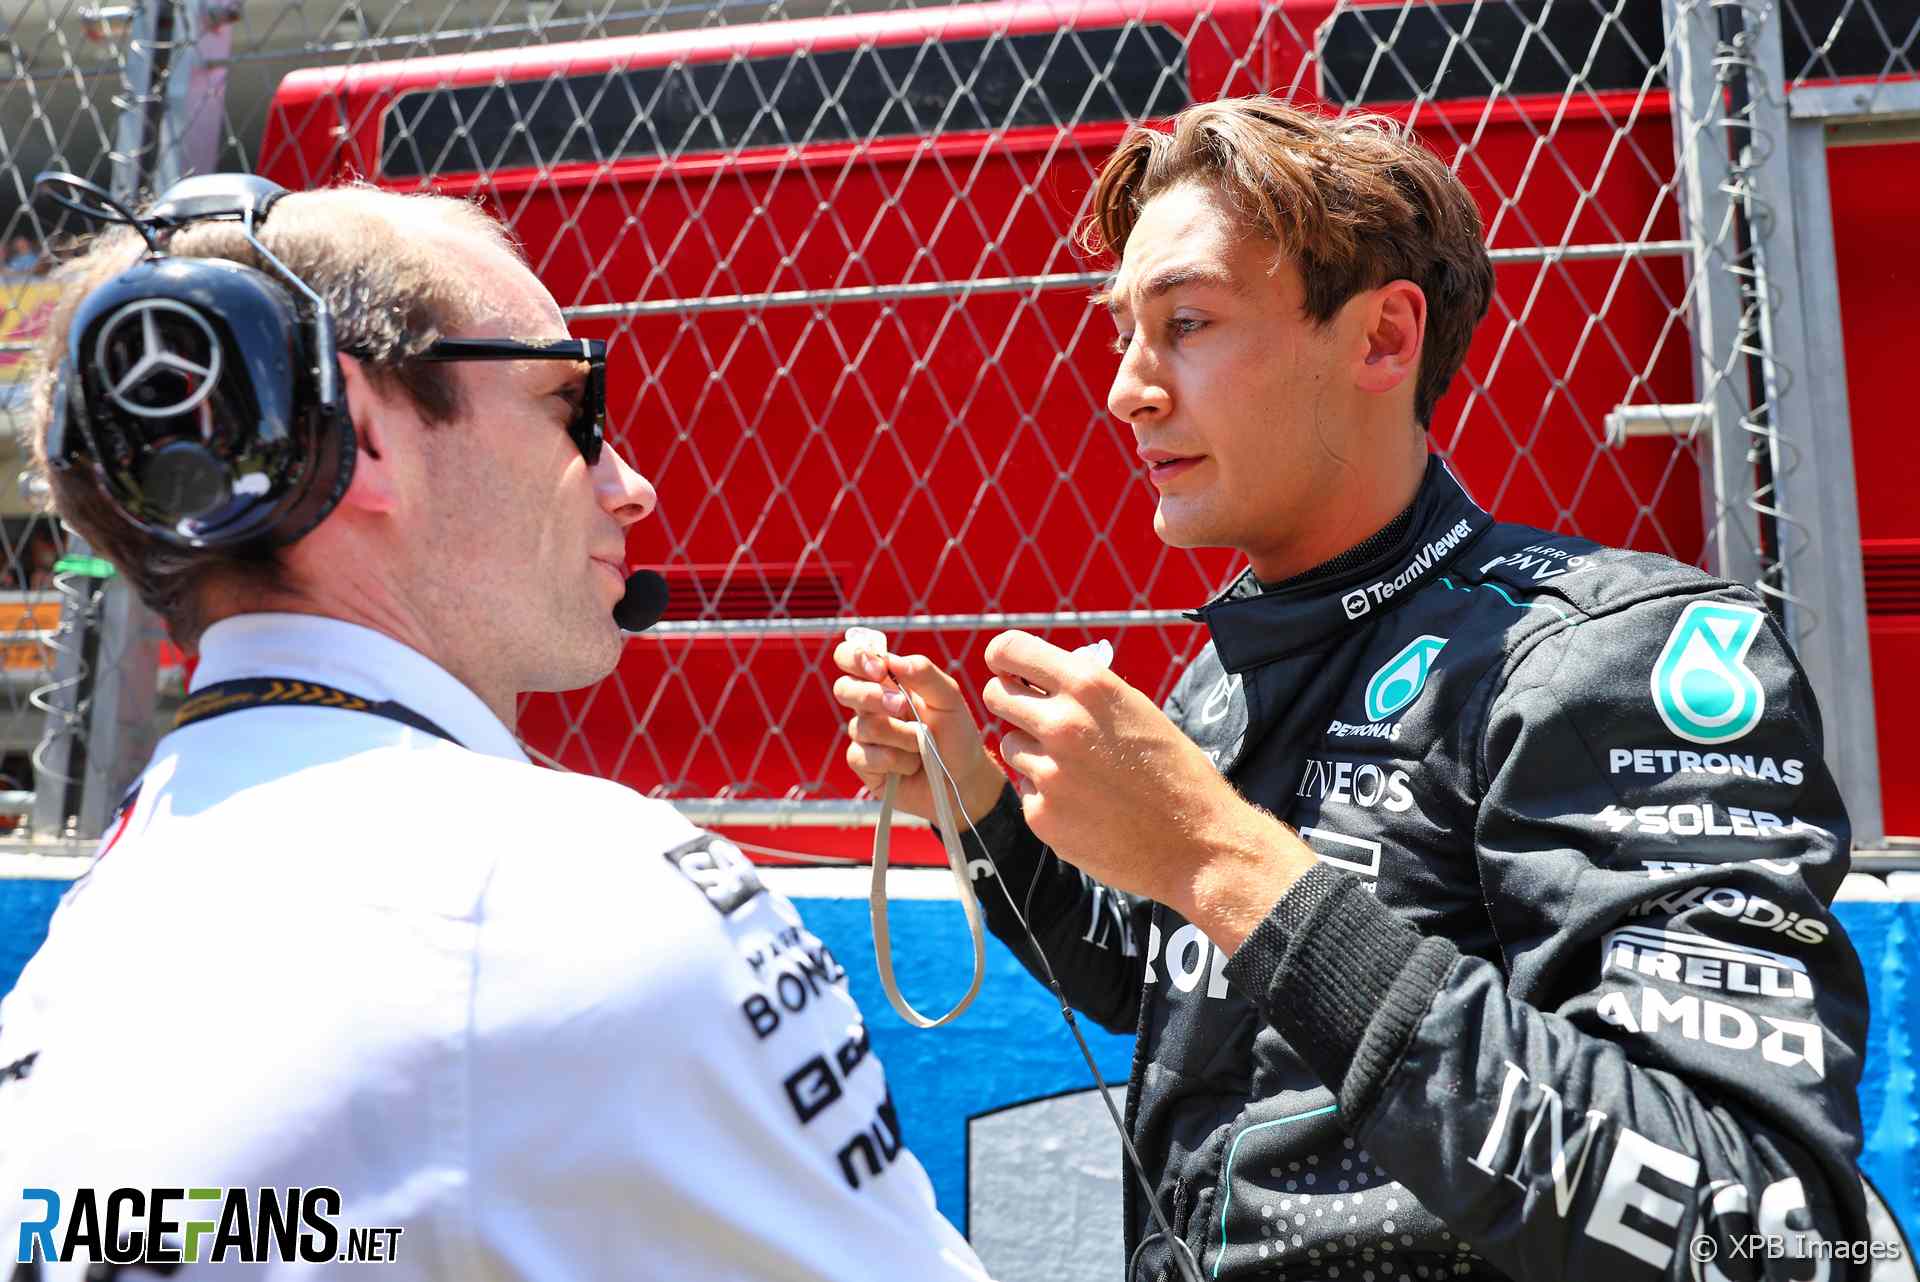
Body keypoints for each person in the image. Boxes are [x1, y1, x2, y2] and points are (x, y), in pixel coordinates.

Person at [835, 97, 1872, 1282]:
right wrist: (975, 797)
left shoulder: (1610, 659)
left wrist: (1230, 863)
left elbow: (1761, 1230)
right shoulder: (1226, 673)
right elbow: (1155, 980)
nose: (1127, 387)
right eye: (1122, 329)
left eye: (1185, 322)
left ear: (1383, 339)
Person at [0, 176, 990, 1281]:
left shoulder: (119, 911)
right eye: (573, 408)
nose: (634, 485)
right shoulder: (574, 895)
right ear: (361, 437)